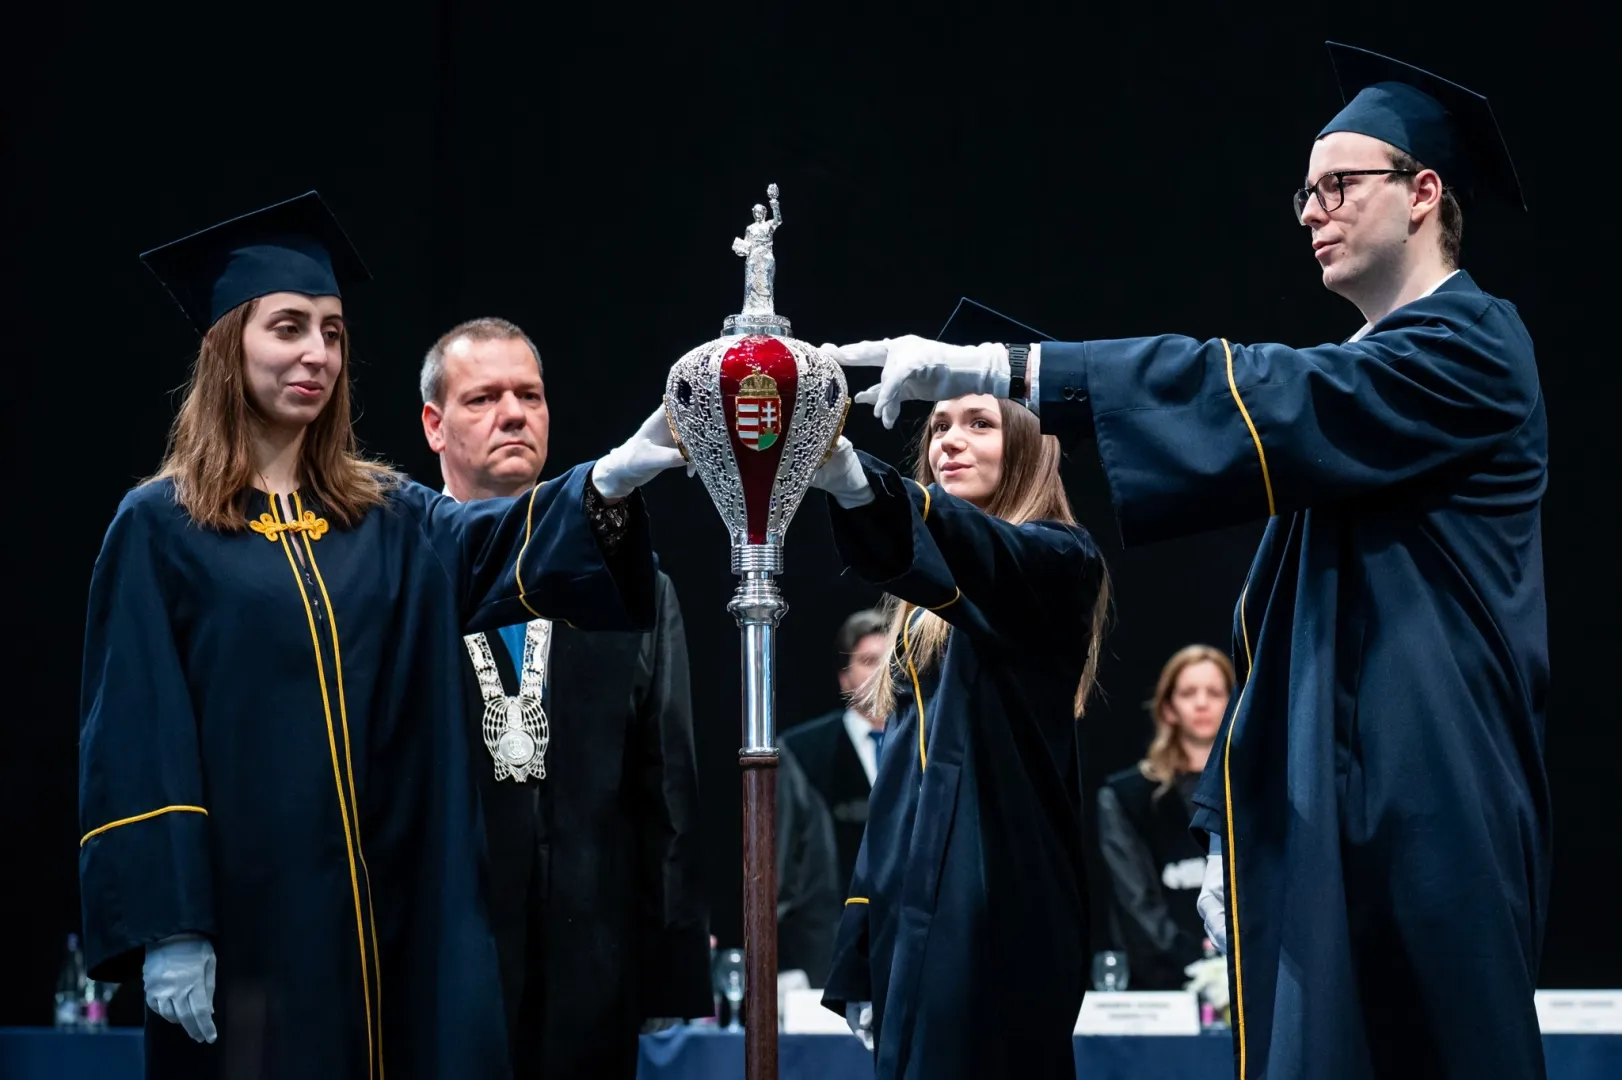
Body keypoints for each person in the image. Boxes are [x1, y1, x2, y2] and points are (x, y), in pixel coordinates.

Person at [826, 42, 1549, 1080]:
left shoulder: (1471, 346)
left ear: (1422, 191)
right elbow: (1279, 632)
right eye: (1303, 192)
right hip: (1343, 793)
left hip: (1428, 791)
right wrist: (1230, 817)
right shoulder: (1362, 394)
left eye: (1336, 185)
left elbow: (1263, 390)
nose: (1310, 210)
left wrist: (1015, 368)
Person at [78, 192, 686, 1080]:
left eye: (331, 331)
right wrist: (171, 924)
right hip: (254, 933)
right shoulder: (162, 530)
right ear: (226, 346)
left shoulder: (390, 517)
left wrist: (611, 479)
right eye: (288, 328)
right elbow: (136, 734)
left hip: (403, 923)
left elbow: (494, 543)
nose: (316, 353)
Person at [419, 317, 711, 1079]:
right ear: (434, 425)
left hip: (593, 966)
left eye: (530, 395)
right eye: (483, 398)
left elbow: (666, 783)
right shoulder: (397, 573)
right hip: (433, 954)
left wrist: (669, 961)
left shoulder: (631, 582)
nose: (514, 413)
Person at [808, 393, 1112, 1079]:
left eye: (980, 424)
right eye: (939, 426)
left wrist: (861, 482)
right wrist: (861, 939)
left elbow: (989, 555)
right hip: (913, 911)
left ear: (1032, 445)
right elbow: (895, 792)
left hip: (997, 904)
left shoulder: (1060, 562)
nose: (950, 440)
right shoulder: (924, 613)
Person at [1096, 645, 1234, 990]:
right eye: (1188, 693)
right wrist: (1200, 965)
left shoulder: (1260, 791)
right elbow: (1136, 903)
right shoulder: (1127, 796)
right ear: (1169, 708)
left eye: (1215, 692)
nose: (1202, 703)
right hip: (1163, 990)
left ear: (1235, 704)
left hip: (1251, 980)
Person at [781, 609, 891, 891]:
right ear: (844, 677)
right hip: (832, 921)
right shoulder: (801, 751)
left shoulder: (926, 743)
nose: (882, 672)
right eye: (869, 661)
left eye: (891, 661)